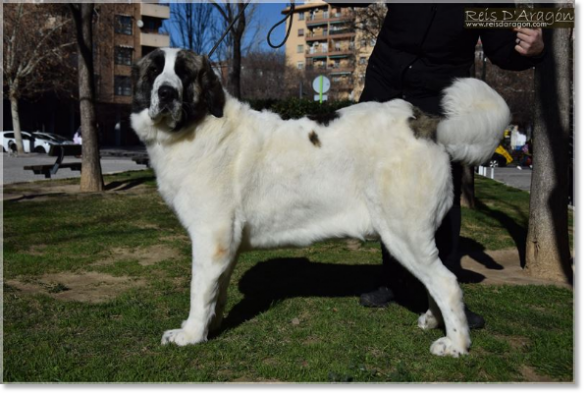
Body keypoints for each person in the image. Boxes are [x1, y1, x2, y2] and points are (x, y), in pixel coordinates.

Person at [354, 3, 545, 328]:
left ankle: (445, 300)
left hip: (437, 99)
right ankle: (393, 279)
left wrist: (534, 50)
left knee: (440, 194)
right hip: (385, 85)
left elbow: (501, 49)